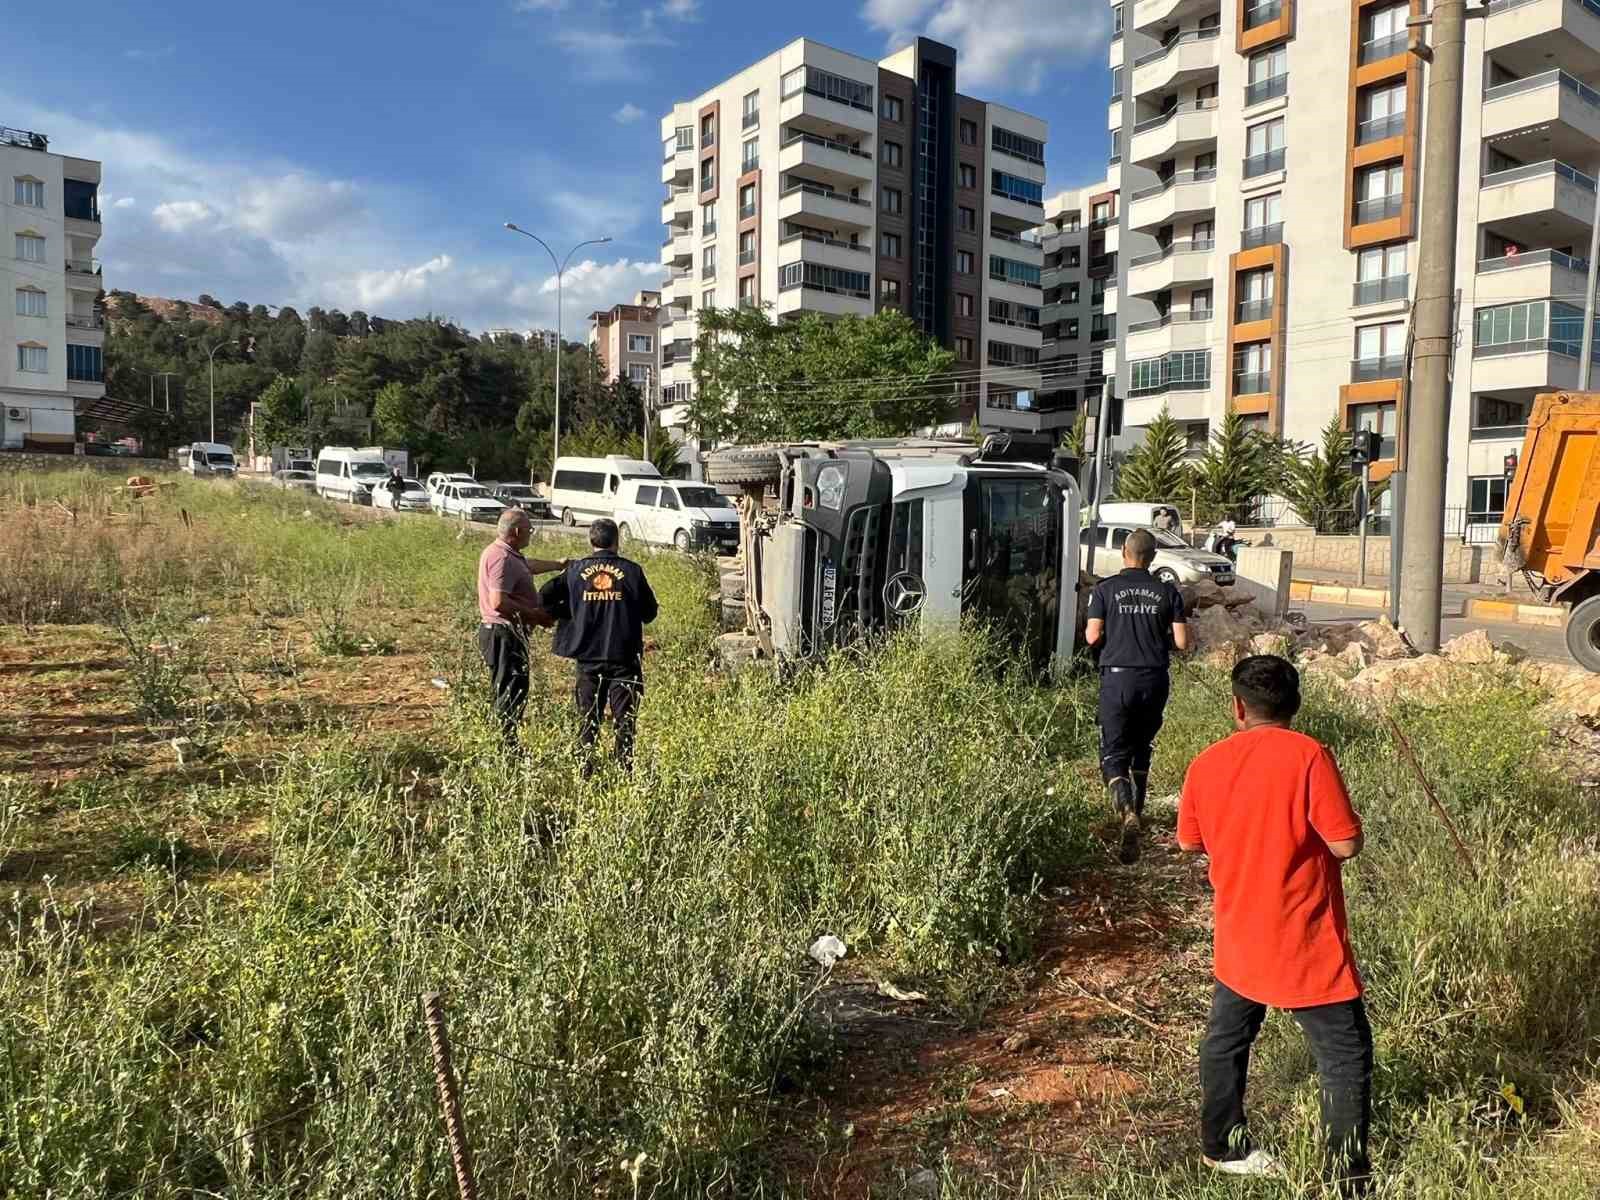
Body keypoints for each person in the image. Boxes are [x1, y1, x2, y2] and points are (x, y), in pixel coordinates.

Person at [1178, 655, 1371, 1195]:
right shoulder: (1309, 756)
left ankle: (1222, 1147)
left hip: (1239, 932)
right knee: (1344, 1057)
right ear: (1296, 705)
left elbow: (1191, 841)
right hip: (1305, 939)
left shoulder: (1205, 763)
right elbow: (1345, 844)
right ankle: (1347, 1178)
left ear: (1238, 707)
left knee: (1226, 1040)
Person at [1085, 527, 1189, 864]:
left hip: (1117, 679)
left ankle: (1126, 811)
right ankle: (1139, 812)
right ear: (1153, 557)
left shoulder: (1105, 590)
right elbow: (1183, 642)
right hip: (1154, 679)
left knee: (1114, 752)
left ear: (1124, 554)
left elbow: (1091, 636)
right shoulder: (1167, 591)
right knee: (1142, 746)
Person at [539, 517, 659, 773]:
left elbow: (545, 596)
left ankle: (585, 770)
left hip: (588, 658)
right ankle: (624, 771)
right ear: (617, 540)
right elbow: (649, 613)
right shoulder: (633, 571)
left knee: (587, 718)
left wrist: (569, 611)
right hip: (624, 658)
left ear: (591, 540)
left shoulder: (574, 571)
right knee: (625, 720)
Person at [476, 509, 564, 748]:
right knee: (510, 689)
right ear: (516, 532)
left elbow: (528, 566)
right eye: (529, 530)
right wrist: (534, 615)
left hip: (509, 633)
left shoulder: (509, 555)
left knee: (513, 686)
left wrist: (558, 564)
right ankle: (506, 745)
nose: (530, 534)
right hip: (504, 634)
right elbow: (499, 602)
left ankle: (505, 739)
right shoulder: (501, 559)